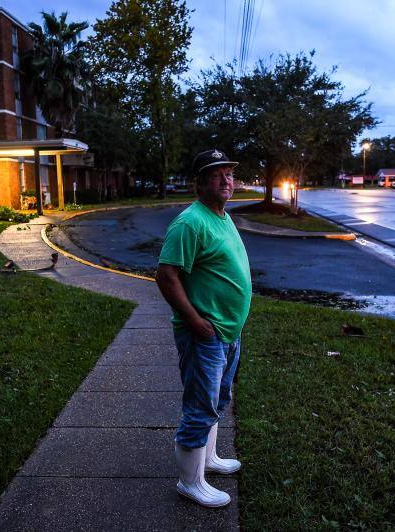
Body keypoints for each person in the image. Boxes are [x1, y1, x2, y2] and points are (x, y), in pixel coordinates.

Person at [156, 149, 252, 508]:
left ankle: (208, 460)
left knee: (217, 401)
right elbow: (166, 277)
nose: (226, 180)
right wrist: (196, 322)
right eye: (217, 175)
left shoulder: (221, 216)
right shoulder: (189, 223)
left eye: (229, 173)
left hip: (228, 331)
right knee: (199, 407)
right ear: (197, 183)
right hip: (205, 335)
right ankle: (190, 482)